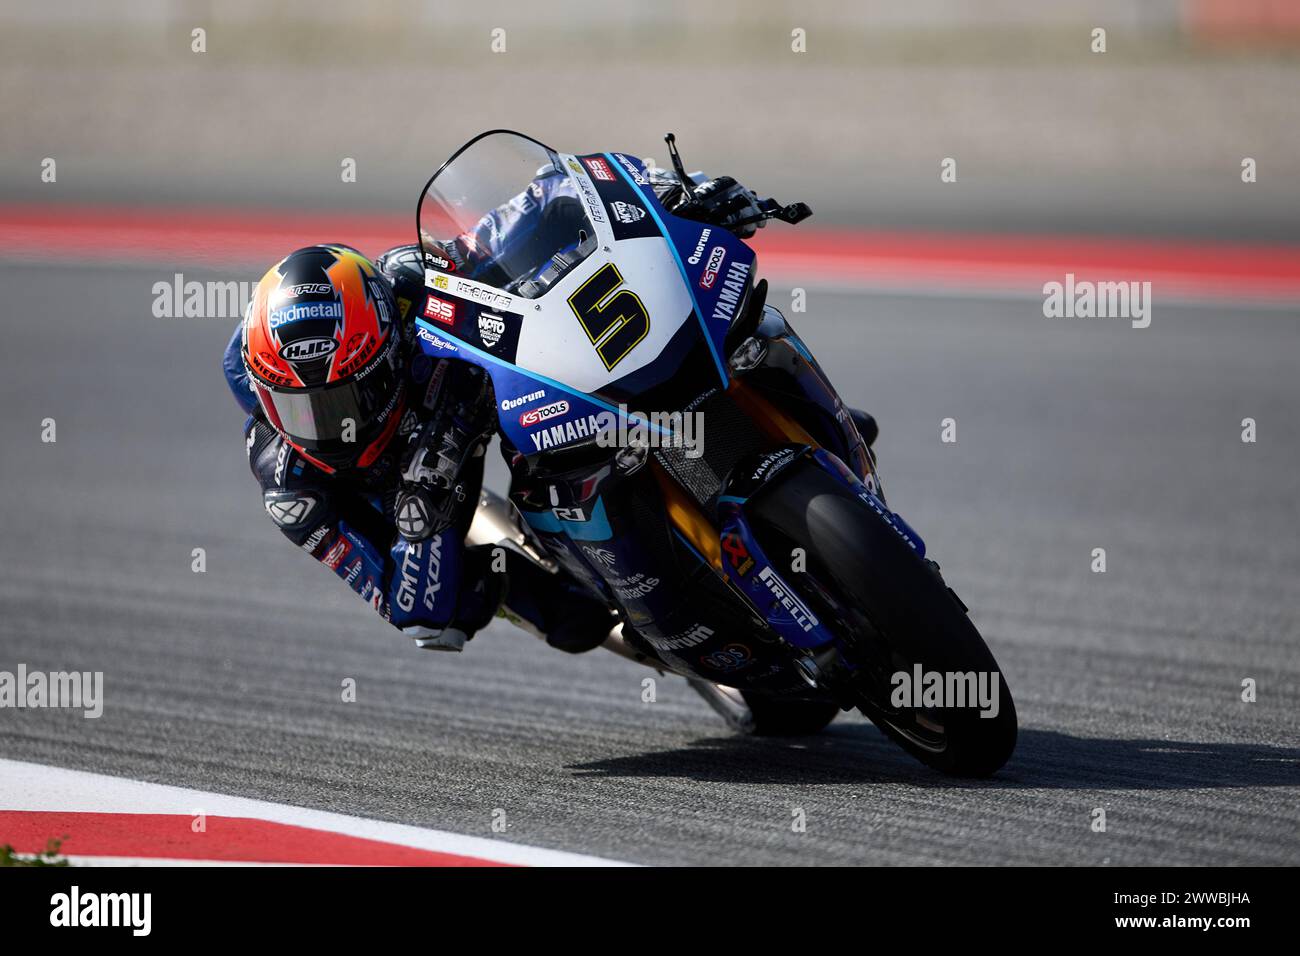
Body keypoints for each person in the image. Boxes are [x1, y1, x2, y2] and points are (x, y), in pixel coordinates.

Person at [223, 170, 822, 654]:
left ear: (386, 346)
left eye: (343, 401)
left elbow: (541, 202)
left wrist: (668, 195)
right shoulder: (292, 488)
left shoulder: (411, 284)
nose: (334, 430)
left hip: (485, 403)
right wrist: (421, 519)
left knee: (733, 334)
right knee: (526, 616)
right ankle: (656, 627)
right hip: (420, 507)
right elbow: (409, 608)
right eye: (299, 411)